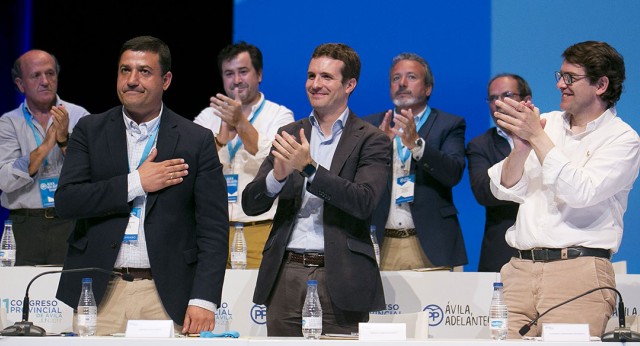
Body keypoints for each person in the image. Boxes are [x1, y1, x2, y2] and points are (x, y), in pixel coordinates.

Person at [54, 36, 229, 336]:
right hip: (98, 292)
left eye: (145, 71)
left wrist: (203, 300)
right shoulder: (90, 130)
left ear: (166, 80)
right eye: (125, 70)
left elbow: (213, 228)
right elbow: (67, 201)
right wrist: (136, 182)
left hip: (166, 295)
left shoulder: (195, 140)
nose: (132, 80)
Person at [489, 41, 640, 338]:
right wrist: (520, 149)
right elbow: (504, 188)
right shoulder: (548, 123)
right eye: (559, 75)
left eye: (570, 77)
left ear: (601, 85)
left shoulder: (623, 140)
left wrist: (537, 137)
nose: (560, 84)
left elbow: (581, 192)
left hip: (578, 275)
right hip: (520, 271)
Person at [242, 43, 390, 336]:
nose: (315, 84)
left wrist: (309, 169)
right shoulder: (289, 133)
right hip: (286, 272)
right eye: (311, 76)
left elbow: (364, 201)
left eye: (326, 77)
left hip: (341, 275)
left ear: (349, 84)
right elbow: (251, 203)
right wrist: (277, 177)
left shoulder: (372, 139)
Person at [194, 41, 294, 269]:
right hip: (213, 231)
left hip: (260, 227)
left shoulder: (279, 115)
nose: (236, 80)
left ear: (259, 74)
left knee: (256, 303)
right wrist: (219, 141)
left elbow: (279, 160)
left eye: (243, 72)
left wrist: (241, 123)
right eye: (229, 73)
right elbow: (190, 164)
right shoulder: (207, 116)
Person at [363, 53, 467, 270]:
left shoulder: (449, 124)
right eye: (395, 78)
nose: (402, 83)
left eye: (411, 77)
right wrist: (378, 149)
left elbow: (453, 173)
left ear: (428, 88)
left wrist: (416, 145)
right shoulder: (371, 126)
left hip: (431, 244)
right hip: (381, 243)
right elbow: (356, 181)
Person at [0, 49, 89, 266]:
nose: (45, 81)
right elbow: (5, 179)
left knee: (68, 296)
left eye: (50, 74)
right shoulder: (8, 123)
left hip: (69, 223)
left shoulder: (79, 116)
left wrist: (64, 142)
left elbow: (91, 173)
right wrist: (48, 144)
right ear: (21, 85)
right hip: (24, 226)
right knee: (20, 297)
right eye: (36, 75)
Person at [466, 73, 532, 272]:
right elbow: (483, 192)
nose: (498, 103)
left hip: (551, 248)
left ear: (526, 100)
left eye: (506, 95)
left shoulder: (548, 134)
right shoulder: (480, 145)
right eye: (493, 98)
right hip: (502, 251)